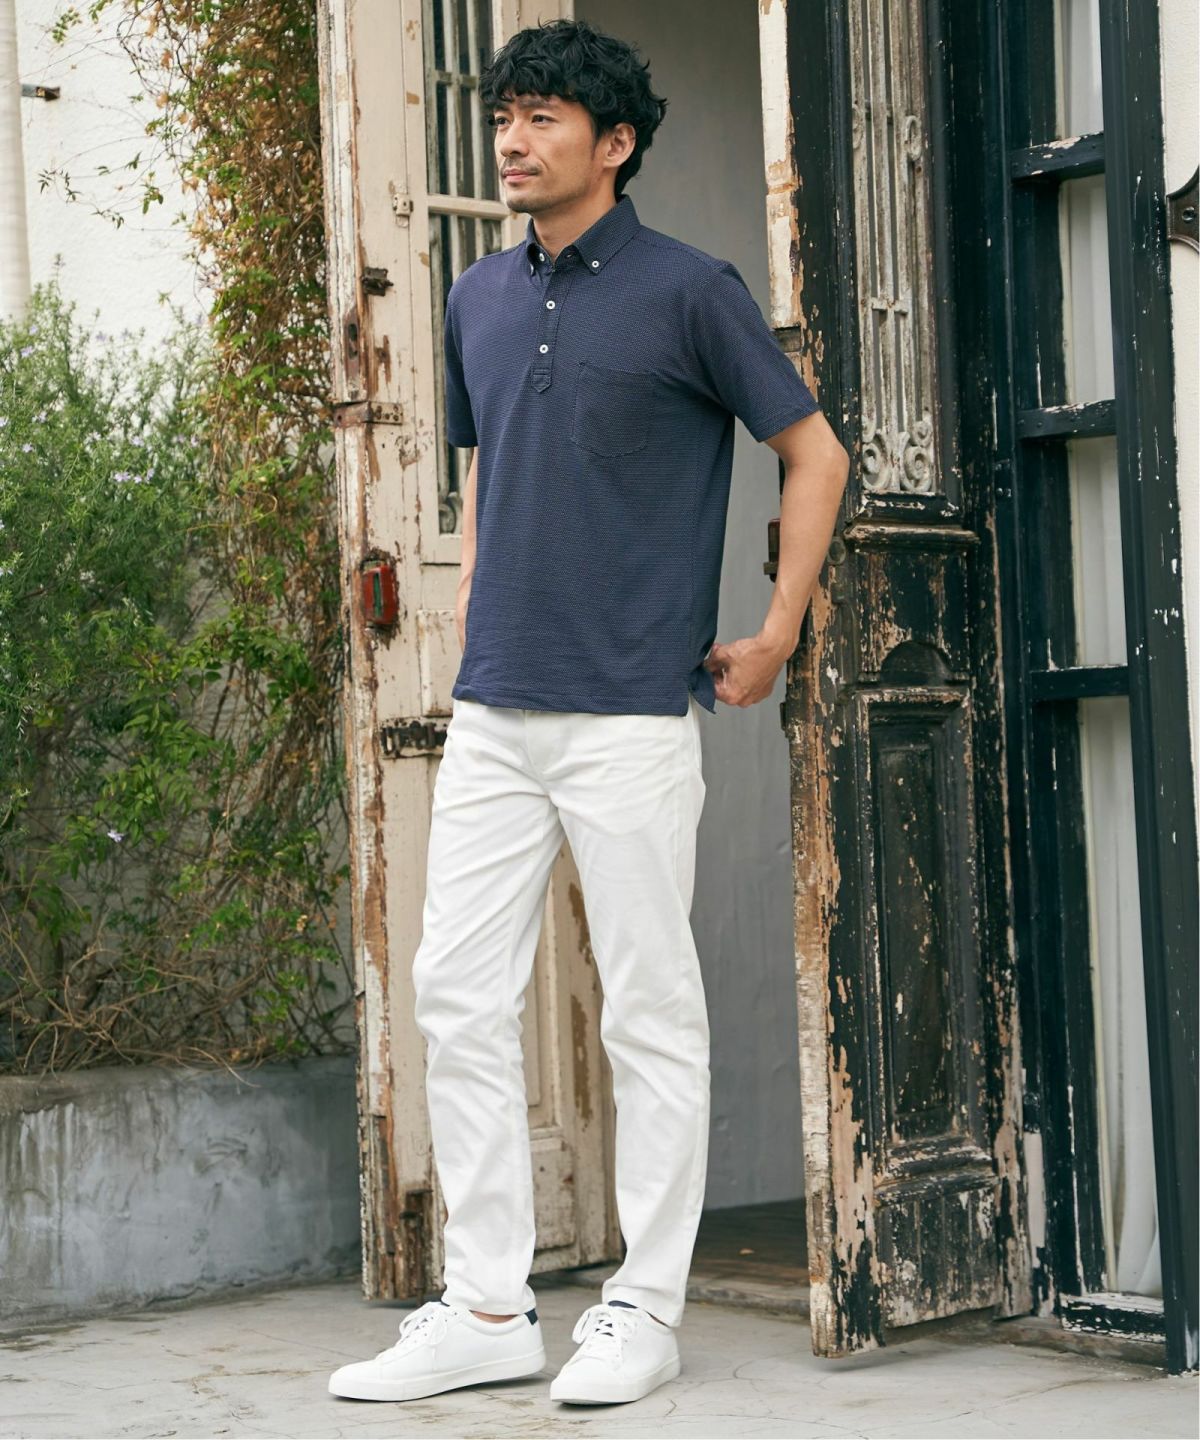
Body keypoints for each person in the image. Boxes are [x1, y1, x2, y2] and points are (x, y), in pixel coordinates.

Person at [328, 16, 848, 1409]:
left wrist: (778, 627)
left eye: (544, 117)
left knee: (648, 1010)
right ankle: (489, 1304)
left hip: (629, 710)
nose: (512, 139)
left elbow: (815, 453)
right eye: (506, 116)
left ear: (613, 143)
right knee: (454, 993)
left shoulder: (691, 292)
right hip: (497, 708)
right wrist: (472, 603)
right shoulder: (477, 297)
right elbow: (489, 468)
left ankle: (644, 1305)